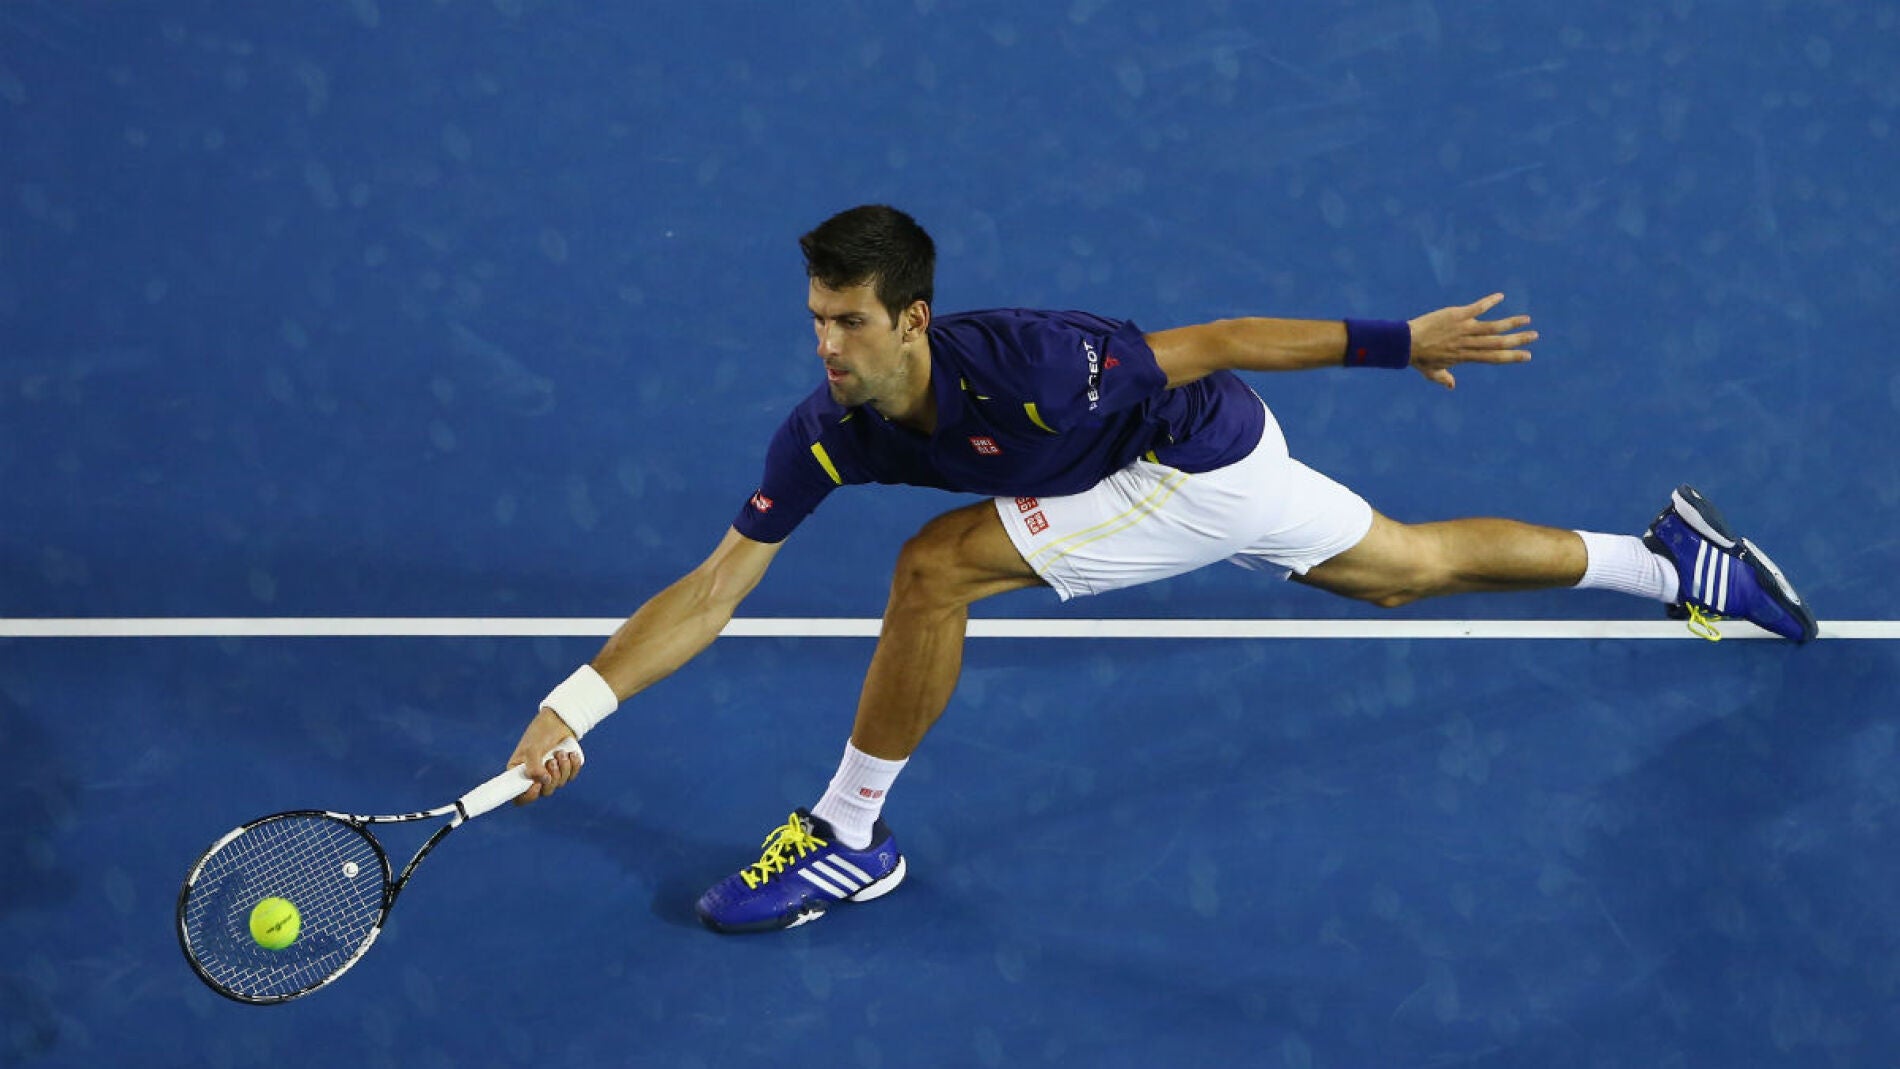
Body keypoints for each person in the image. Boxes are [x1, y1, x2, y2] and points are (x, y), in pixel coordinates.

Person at [503, 204, 1816, 934]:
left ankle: (849, 836)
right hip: (1157, 479)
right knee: (1402, 567)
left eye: (849, 323)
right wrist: (576, 703)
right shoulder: (827, 430)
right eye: (814, 322)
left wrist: (1398, 335)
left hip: (1194, 468)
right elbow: (716, 583)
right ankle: (1669, 563)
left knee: (931, 570)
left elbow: (1221, 337)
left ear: (910, 317)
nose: (828, 349)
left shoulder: (1035, 366)